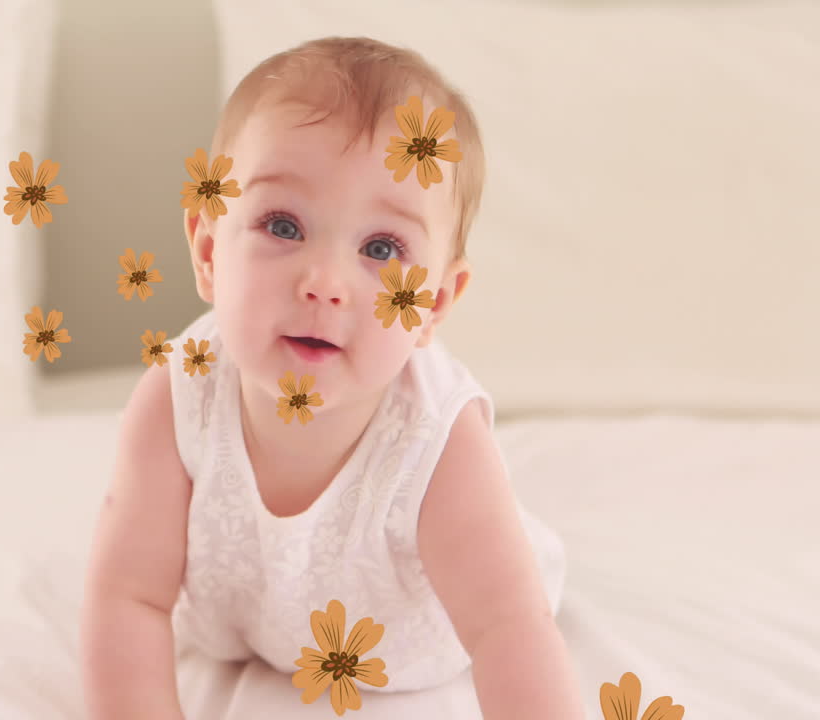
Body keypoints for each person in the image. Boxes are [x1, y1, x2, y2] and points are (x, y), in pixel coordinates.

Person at [81, 36, 578, 719]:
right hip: (250, 626)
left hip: (409, 648)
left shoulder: (437, 439)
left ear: (432, 303)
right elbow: (129, 596)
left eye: (381, 248)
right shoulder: (176, 398)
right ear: (207, 252)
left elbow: (506, 628)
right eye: (283, 225)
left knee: (504, 576)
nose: (324, 284)